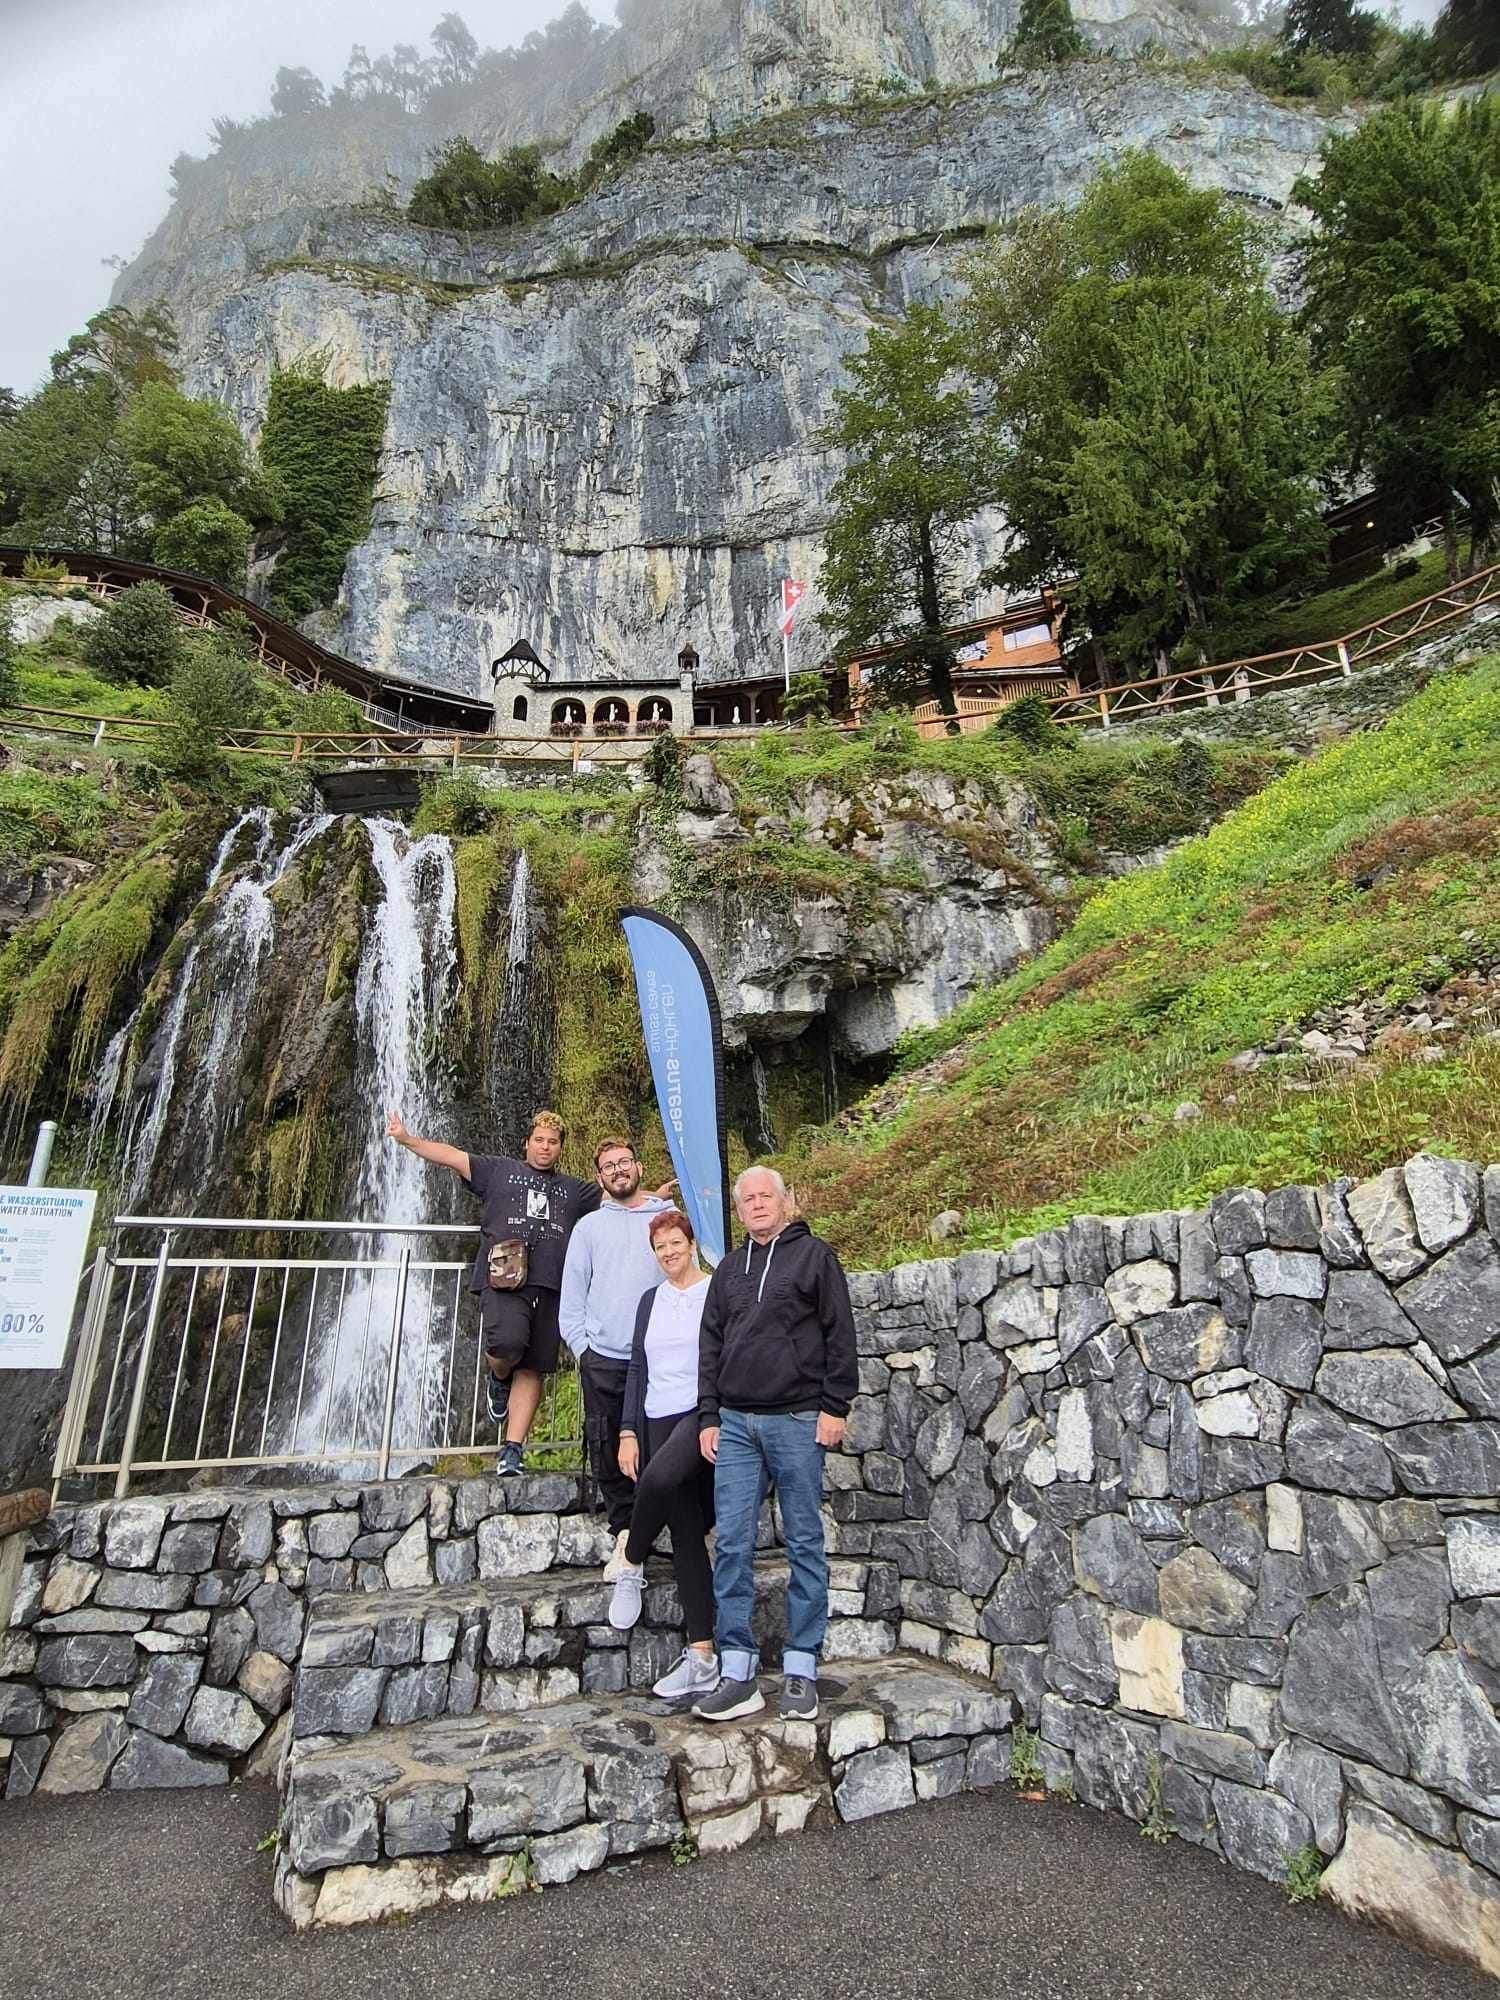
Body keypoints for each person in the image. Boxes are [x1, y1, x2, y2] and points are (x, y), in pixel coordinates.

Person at [693, 1167, 856, 1724]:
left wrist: (835, 1406)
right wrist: (709, 1415)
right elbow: (709, 1344)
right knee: (733, 1542)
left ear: (785, 1202)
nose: (758, 1205)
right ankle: (737, 1671)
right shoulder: (729, 1270)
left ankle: (801, 1667)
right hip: (735, 1424)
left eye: (766, 1196)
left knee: (804, 1541)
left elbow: (841, 1333)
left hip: (796, 1418)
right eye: (748, 1199)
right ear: (738, 1211)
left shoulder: (815, 1258)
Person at [386, 1108, 600, 1475]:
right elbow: (451, 1156)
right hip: (504, 1277)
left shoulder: (573, 1190)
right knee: (508, 1344)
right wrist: (407, 1139)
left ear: (560, 1147)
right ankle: (499, 1377)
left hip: (551, 1286)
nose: (545, 1147)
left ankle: (512, 1450)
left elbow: (618, 1196)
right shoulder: (499, 1170)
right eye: (539, 1140)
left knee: (533, 1367)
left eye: (552, 1142)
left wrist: (655, 1199)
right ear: (527, 1143)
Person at [604, 1208, 719, 1702]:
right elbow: (637, 1368)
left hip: (698, 1413)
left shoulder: (714, 1292)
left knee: (654, 1482)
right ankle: (703, 1658)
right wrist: (628, 1430)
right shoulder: (650, 1301)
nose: (668, 1253)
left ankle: (631, 1561)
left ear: (690, 1243)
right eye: (660, 1247)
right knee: (689, 1539)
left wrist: (715, 1417)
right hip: (654, 1418)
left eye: (675, 1243)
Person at [558, 1137, 676, 1579]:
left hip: (657, 1355)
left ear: (640, 1167)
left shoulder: (666, 1220)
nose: (618, 1169)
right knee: (606, 1445)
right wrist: (583, 1351)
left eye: (625, 1161)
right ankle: (627, 1532)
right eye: (609, 1165)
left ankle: (673, 1525)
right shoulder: (588, 1228)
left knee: (661, 1442)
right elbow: (572, 1297)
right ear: (600, 1177)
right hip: (603, 1357)